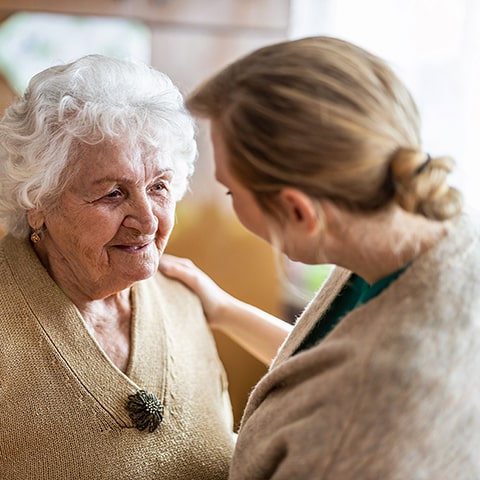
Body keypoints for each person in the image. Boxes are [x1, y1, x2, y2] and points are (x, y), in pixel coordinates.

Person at [159, 36, 480, 479]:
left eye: (231, 190)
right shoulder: (417, 227)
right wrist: (225, 311)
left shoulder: (361, 427)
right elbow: (327, 365)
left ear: (297, 211)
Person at [0, 54, 235, 479]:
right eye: (112, 193)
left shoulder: (184, 301)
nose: (147, 220)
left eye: (159, 187)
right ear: (37, 202)